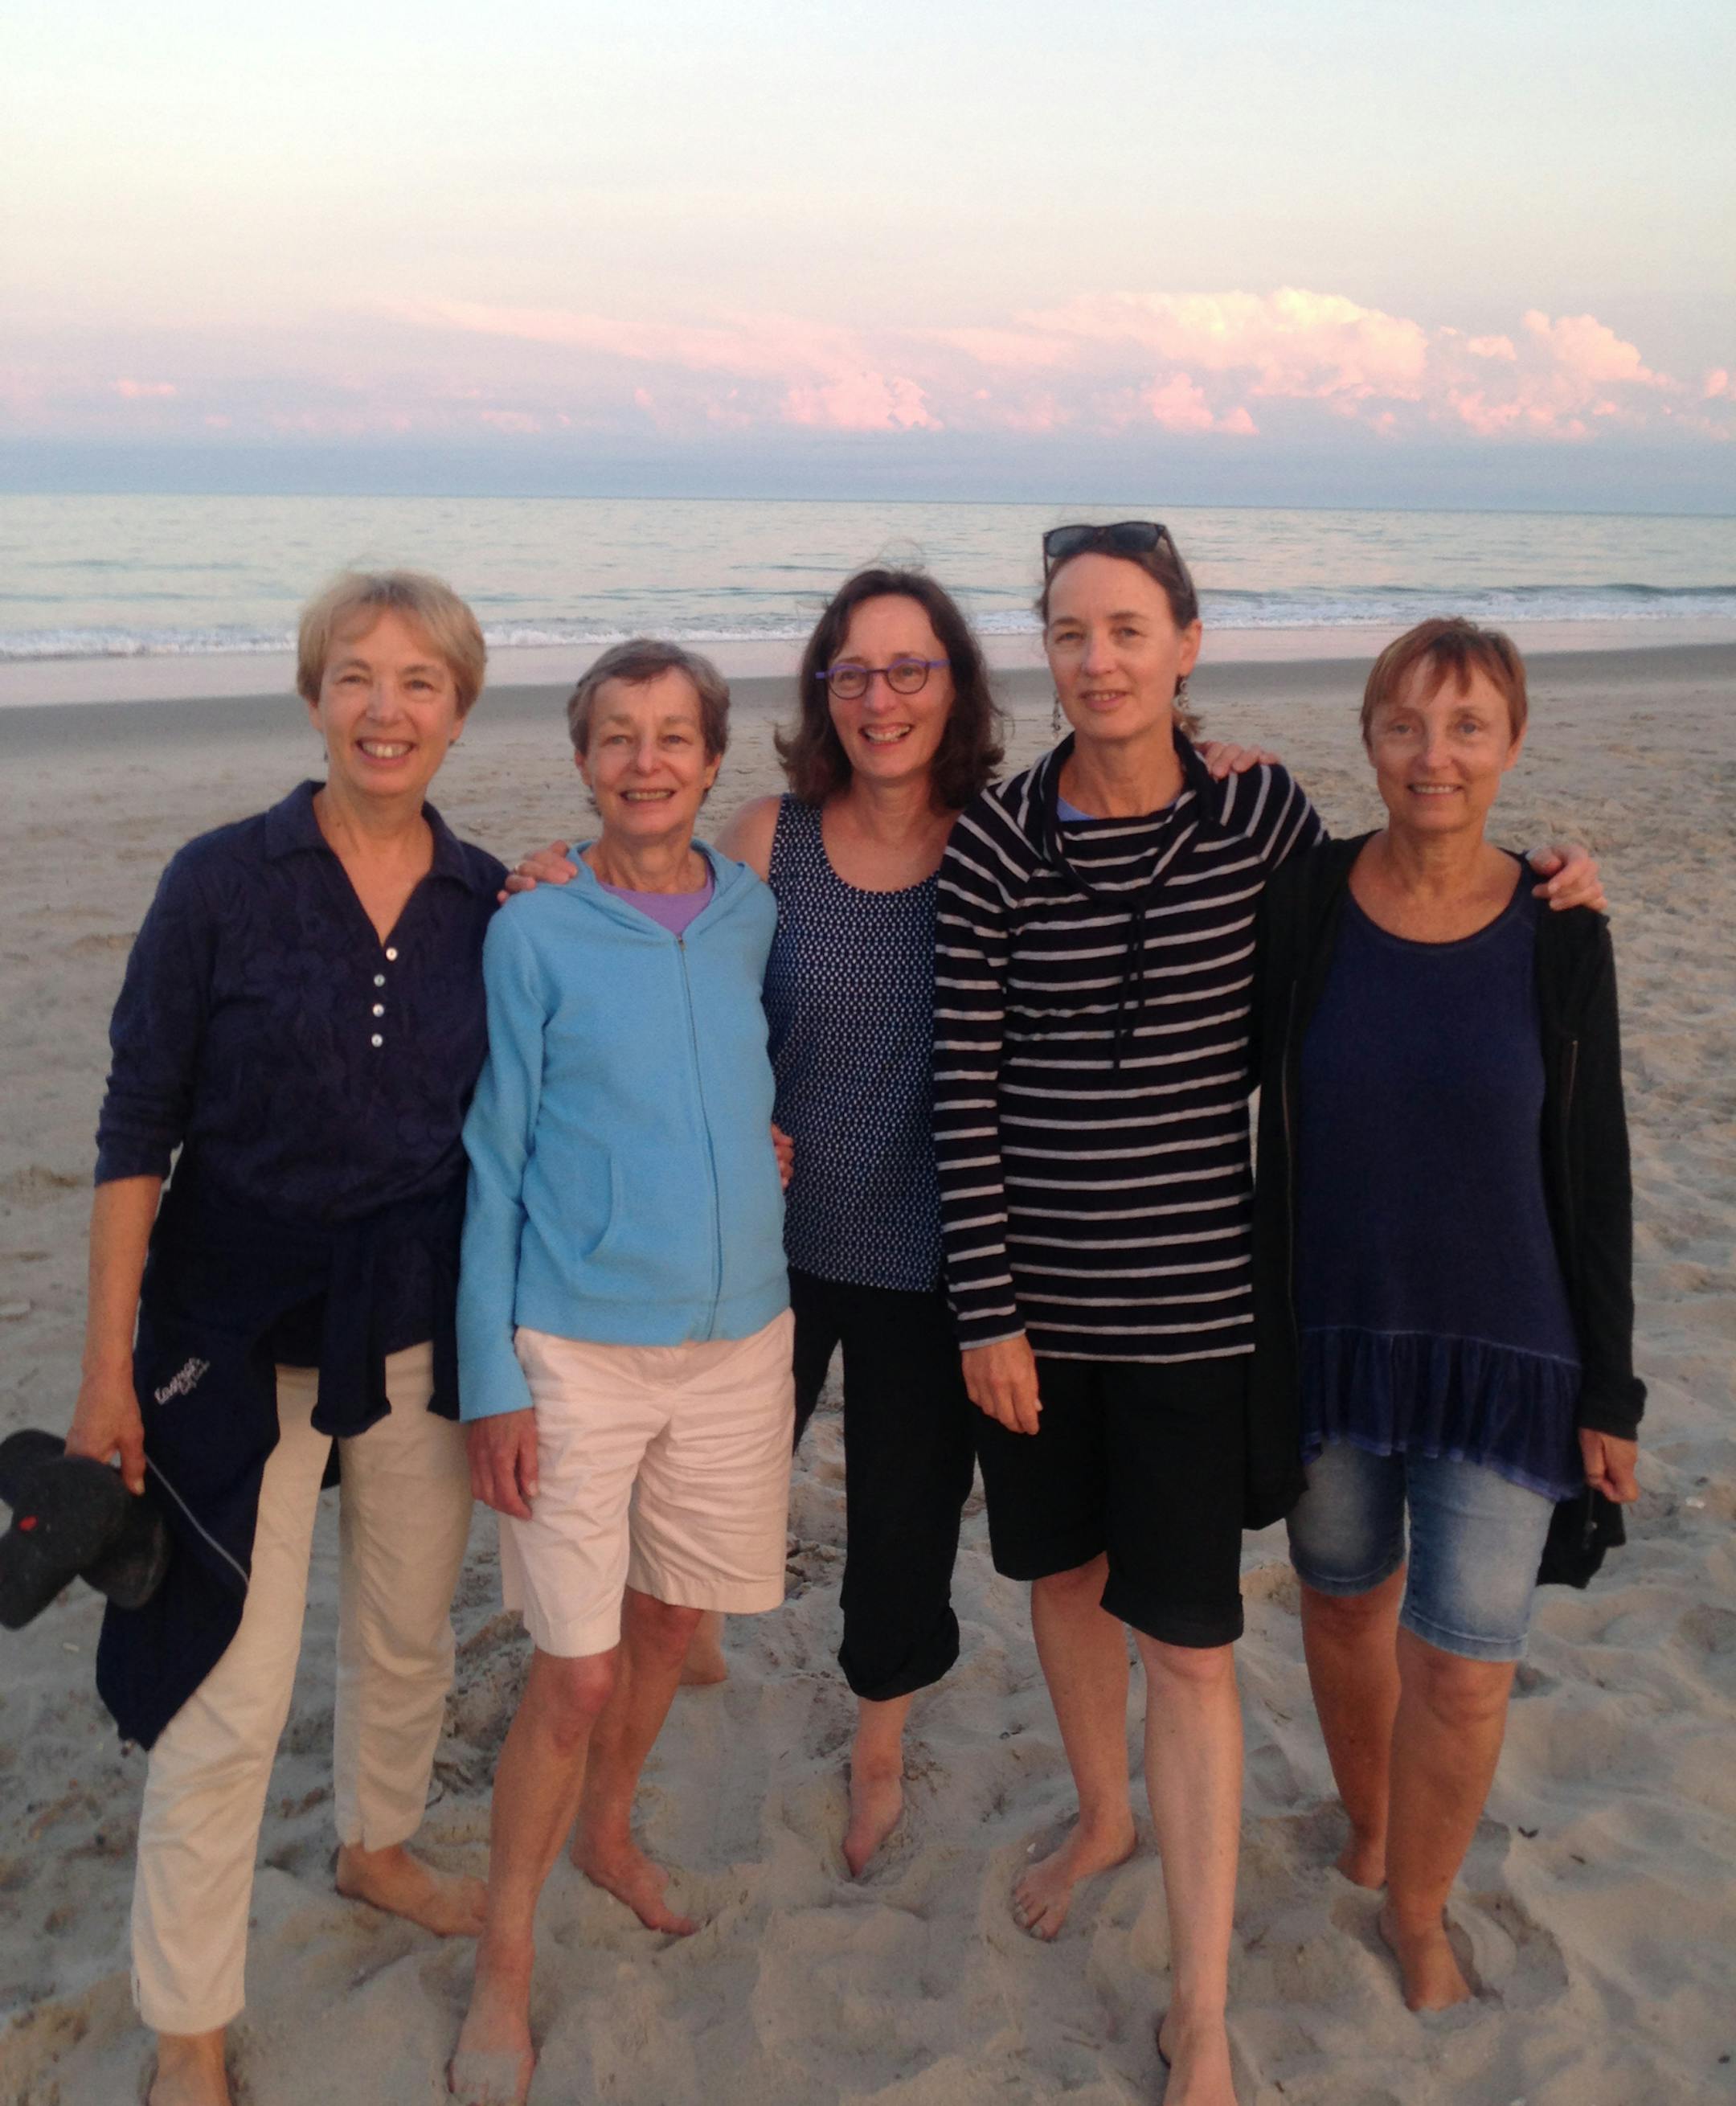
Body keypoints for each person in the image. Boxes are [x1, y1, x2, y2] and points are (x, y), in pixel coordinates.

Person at [931, 522, 1606, 2106]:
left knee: (1194, 1647)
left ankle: (1205, 2006)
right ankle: (1103, 1812)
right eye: (1069, 631)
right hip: (1032, 1317)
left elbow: (1404, 907)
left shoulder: (1260, 815)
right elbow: (961, 1080)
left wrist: (1556, 882)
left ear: (1186, 643)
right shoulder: (993, 843)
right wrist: (989, 1306)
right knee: (1065, 1576)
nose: (1096, 658)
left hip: (1204, 1318)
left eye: (1128, 629)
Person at [65, 572, 503, 2106]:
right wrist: (102, 1366)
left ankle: (377, 1842)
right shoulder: (218, 881)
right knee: (228, 1677)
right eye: (358, 679)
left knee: (404, 1624)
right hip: (226, 1320)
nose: (388, 710)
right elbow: (135, 1129)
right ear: (314, 694)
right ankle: (188, 2014)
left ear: (460, 707)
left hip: (412, 1320)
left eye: (422, 684)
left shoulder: (487, 900)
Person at [508, 568, 1005, 1880]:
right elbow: (661, 937)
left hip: (926, 1252)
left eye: (910, 670)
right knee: (689, 1510)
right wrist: (552, 873)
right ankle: (684, 1644)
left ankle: (882, 1743)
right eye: (853, 671)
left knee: (901, 1525)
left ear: (953, 685)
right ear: (821, 692)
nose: (881, 697)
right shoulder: (768, 834)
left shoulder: (1000, 839)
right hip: (756, 1245)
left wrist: (1203, 741)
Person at [1247, 617, 1642, 2013]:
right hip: (1333, 1339)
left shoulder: (1557, 928)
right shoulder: (1299, 903)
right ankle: (1369, 1825)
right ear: (1369, 736)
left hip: (1506, 1353)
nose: (1436, 755)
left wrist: (1613, 1392)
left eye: (1468, 727)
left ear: (1512, 745)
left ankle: (1420, 1911)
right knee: (1347, 1610)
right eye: (1407, 724)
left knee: (1466, 1670)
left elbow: (1596, 1167)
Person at [451, 640, 794, 2106]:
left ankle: (612, 1832)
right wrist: (492, 1376)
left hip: (740, 1339)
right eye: (616, 738)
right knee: (574, 1670)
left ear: (715, 762)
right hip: (573, 1345)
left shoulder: (752, 915)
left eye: (672, 738)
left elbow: (741, 1079)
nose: (646, 761)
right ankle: (507, 1960)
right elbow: (494, 1158)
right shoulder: (533, 930)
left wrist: (757, 1160)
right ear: (582, 760)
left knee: (667, 1625)